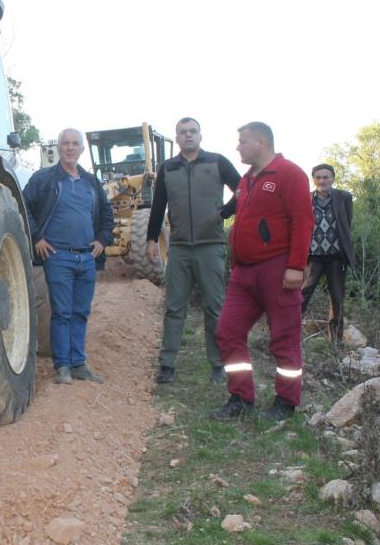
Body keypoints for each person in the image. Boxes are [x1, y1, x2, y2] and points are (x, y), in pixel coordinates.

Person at [211, 122, 314, 421]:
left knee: (284, 337)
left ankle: (286, 402)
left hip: (277, 268)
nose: (237, 147)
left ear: (260, 141)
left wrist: (296, 265)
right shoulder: (246, 180)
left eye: (242, 141)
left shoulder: (290, 174)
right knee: (227, 332)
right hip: (244, 273)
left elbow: (303, 222)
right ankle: (240, 397)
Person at [147, 118, 241, 385]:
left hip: (210, 245)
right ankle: (167, 365)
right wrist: (152, 239)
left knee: (215, 307)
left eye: (192, 132)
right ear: (177, 138)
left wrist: (223, 212)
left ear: (200, 135)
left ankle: (218, 365)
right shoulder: (168, 168)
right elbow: (158, 204)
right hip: (178, 247)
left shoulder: (217, 162)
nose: (188, 136)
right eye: (182, 132)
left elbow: (244, 189)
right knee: (174, 307)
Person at [23, 128, 114, 385]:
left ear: (82, 149)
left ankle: (79, 364)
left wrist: (102, 240)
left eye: (75, 144)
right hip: (58, 257)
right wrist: (37, 238)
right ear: (58, 148)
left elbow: (107, 215)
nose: (70, 148)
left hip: (86, 258)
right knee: (62, 312)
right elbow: (24, 205)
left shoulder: (92, 182)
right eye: (66, 143)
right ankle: (62, 366)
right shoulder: (44, 179)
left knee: (81, 312)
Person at [301, 164, 354, 344]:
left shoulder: (344, 198)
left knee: (337, 300)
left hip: (336, 257)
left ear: (333, 178)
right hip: (312, 257)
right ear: (313, 179)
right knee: (302, 295)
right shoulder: (305, 198)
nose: (322, 181)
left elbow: (347, 223)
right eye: (318, 177)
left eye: (326, 177)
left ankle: (335, 344)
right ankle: (289, 337)